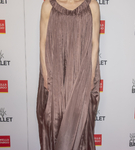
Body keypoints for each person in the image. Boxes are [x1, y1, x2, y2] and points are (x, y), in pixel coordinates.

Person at [36, 0, 101, 149]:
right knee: (54, 121)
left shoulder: (92, 6)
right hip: (56, 73)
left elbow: (95, 43)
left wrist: (91, 76)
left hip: (81, 73)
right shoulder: (48, 5)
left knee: (81, 124)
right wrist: (46, 74)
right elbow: (43, 42)